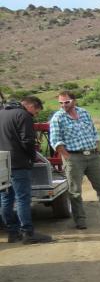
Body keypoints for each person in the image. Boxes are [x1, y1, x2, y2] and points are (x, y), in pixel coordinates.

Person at [48, 90, 100, 229]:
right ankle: (80, 220)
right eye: (61, 103)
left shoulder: (84, 112)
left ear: (74, 101)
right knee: (75, 192)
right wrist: (68, 157)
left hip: (93, 156)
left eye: (67, 102)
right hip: (73, 157)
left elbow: (94, 131)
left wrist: (97, 146)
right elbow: (55, 141)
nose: (63, 105)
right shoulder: (57, 118)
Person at [0, 96, 53, 244]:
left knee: (6, 199)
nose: (34, 115)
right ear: (31, 106)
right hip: (19, 164)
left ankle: (12, 233)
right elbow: (28, 141)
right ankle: (28, 233)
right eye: (36, 112)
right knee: (22, 199)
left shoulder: (1, 113)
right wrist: (32, 157)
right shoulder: (23, 115)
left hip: (3, 164)